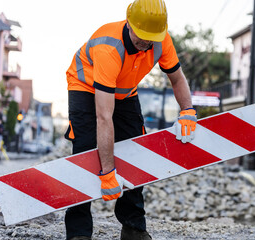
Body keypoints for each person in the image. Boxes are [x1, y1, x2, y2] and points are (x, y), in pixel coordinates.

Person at [64, 0, 197, 239]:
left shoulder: (161, 39)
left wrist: (188, 110)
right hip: (85, 86)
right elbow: (104, 117)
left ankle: (133, 227)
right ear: (129, 24)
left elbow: (177, 79)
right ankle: (78, 232)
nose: (145, 42)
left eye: (151, 37)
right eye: (141, 35)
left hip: (125, 90)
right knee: (84, 151)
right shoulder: (109, 47)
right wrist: (107, 172)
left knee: (136, 150)